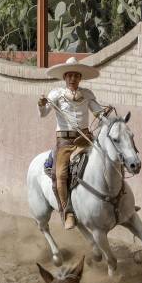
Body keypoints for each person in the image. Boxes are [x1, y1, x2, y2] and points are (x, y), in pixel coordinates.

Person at [38, 57, 111, 230]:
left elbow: (98, 113)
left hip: (85, 139)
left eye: (76, 76)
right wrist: (41, 105)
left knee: (110, 160)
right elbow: (43, 114)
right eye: (69, 76)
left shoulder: (87, 94)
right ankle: (67, 212)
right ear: (65, 78)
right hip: (65, 141)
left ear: (80, 78)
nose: (73, 79)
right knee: (60, 175)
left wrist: (105, 114)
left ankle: (119, 201)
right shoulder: (56, 94)